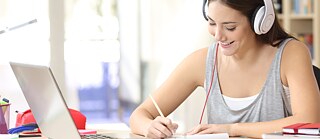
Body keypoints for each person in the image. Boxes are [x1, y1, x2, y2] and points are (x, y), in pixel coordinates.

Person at [129, 0, 320, 138]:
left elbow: (309, 120)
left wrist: (231, 129)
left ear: (260, 22)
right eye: (212, 23)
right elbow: (140, 115)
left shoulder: (291, 54)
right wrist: (149, 127)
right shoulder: (202, 61)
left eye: (230, 27)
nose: (218, 35)